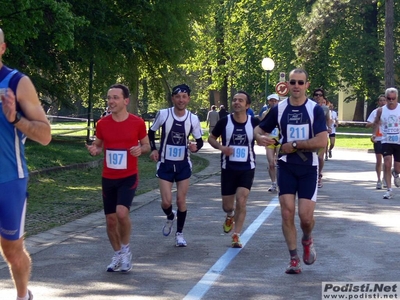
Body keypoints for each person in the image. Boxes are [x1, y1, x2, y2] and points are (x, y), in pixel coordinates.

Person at [255, 68, 327, 274]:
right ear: (288, 85)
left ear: (307, 85)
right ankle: (293, 258)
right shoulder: (280, 108)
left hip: (308, 167)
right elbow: (259, 129)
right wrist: (259, 137)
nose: (296, 86)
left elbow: (322, 141)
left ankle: (307, 239)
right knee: (287, 213)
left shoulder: (315, 110)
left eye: (300, 83)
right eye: (293, 82)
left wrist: (294, 144)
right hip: (286, 166)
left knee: (305, 218)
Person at [0, 28, 52, 300]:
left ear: (2, 48)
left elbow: (45, 136)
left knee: (11, 250)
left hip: (8, 180)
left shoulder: (17, 82)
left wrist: (14, 119)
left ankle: (23, 295)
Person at [86, 84, 150, 272]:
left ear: (126, 101)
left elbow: (146, 145)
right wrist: (94, 150)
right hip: (108, 177)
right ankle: (118, 254)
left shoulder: (137, 123)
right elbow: (98, 145)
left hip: (128, 176)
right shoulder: (103, 123)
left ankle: (126, 249)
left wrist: (141, 149)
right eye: (109, 98)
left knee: (122, 213)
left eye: (115, 97)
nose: (111, 101)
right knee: (111, 220)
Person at [148, 84, 204, 247]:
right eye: (178, 97)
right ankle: (170, 216)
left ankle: (179, 234)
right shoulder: (164, 114)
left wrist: (195, 147)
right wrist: (153, 149)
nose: (181, 100)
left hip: (183, 165)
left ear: (188, 99)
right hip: (165, 163)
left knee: (181, 200)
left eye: (184, 97)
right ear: (173, 98)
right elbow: (151, 132)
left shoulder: (192, 118)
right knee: (166, 202)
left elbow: (199, 141)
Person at [208, 91, 259, 248]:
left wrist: (264, 139)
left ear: (247, 105)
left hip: (247, 167)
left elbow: (262, 135)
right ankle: (230, 215)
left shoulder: (254, 122)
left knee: (241, 201)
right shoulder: (225, 122)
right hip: (228, 168)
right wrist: (221, 147)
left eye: (241, 100)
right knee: (228, 206)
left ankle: (236, 235)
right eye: (235, 100)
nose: (237, 102)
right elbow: (211, 138)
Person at [373, 87, 400, 199]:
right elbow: (376, 122)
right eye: (389, 98)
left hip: (398, 141)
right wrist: (374, 134)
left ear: (396, 98)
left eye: (393, 98)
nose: (391, 100)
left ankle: (396, 172)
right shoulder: (381, 110)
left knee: (398, 168)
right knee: (387, 163)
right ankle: (389, 190)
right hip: (386, 140)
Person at [366, 94, 387, 189]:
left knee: (387, 161)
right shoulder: (375, 112)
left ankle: (385, 178)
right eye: (381, 101)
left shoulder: (390, 112)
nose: (382, 102)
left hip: (387, 139)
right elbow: (367, 125)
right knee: (379, 160)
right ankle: (379, 180)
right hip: (378, 138)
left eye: (384, 100)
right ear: (378, 102)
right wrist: (375, 122)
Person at [260, 94, 280, 192]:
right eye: (271, 101)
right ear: (268, 102)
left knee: (280, 162)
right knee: (271, 163)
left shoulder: (282, 112)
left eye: (275, 101)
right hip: (269, 140)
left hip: (279, 141)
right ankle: (273, 183)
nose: (273, 102)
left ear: (278, 101)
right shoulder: (265, 113)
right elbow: (262, 128)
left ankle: (282, 182)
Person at [314, 91, 331, 187]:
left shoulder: (325, 108)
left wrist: (329, 127)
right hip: (311, 135)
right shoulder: (309, 106)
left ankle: (319, 175)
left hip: (322, 135)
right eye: (316, 95)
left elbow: (328, 119)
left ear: (323, 97)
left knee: (320, 158)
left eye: (320, 95)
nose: (318, 96)